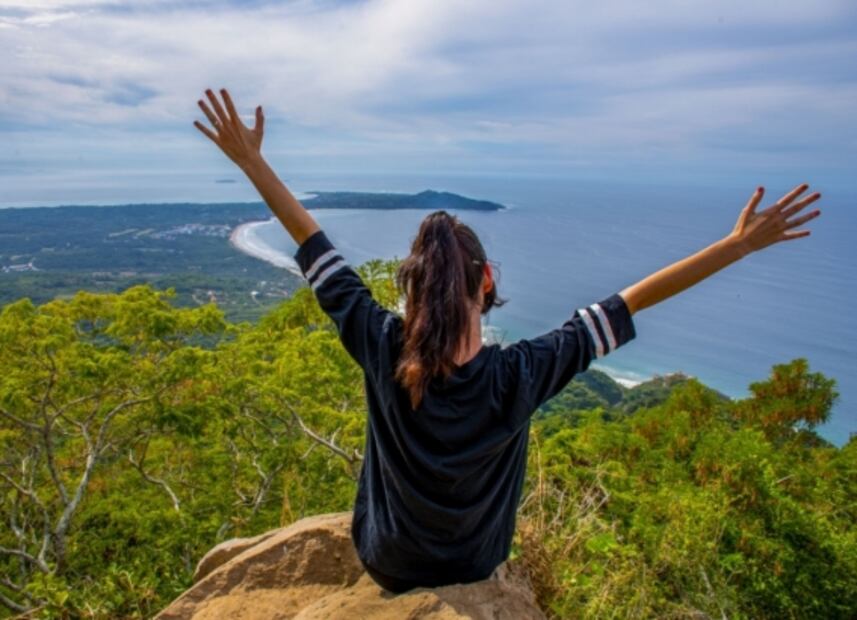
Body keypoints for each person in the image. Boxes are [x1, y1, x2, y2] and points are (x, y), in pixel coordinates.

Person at [193, 88, 823, 594]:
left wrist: (252, 162)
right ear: (487, 281)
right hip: (475, 566)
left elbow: (314, 247)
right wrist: (736, 245)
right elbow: (632, 299)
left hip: (387, 560)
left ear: (410, 285)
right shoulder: (522, 373)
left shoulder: (381, 343)